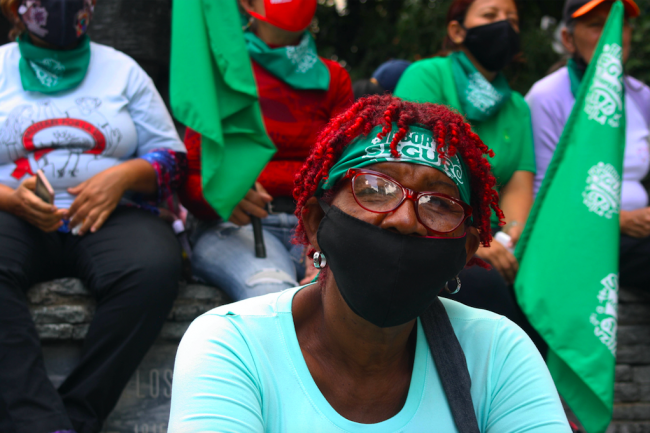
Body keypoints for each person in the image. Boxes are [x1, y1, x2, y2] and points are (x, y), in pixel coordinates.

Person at [168, 95, 571, 432]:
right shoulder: (235, 347)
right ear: (314, 223)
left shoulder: (497, 352)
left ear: (464, 252)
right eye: (375, 189)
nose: (404, 219)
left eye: (439, 203)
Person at [0, 1, 186, 432]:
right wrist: (10, 199)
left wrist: (122, 176)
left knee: (154, 268)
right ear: (14, 8)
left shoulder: (122, 70)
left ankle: (75, 417)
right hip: (13, 215)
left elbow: (173, 160)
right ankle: (38, 421)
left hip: (109, 217)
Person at [179, 0, 353, 301]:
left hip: (317, 226)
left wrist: (330, 245)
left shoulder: (334, 78)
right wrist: (222, 195)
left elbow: (347, 172)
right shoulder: (220, 71)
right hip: (235, 228)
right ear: (247, 4)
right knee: (272, 296)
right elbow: (190, 174)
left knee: (343, 292)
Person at [393, 0, 542, 350]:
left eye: (512, 20)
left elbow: (519, 186)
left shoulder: (516, 106)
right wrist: (471, 239)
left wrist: (505, 240)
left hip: (496, 241)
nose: (503, 26)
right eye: (490, 16)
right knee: (482, 287)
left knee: (546, 283)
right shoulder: (427, 76)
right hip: (432, 231)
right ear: (457, 31)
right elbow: (415, 175)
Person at [526, 0, 648, 290]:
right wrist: (617, 220)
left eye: (620, 24)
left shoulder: (641, 96)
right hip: (579, 237)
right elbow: (542, 196)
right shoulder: (547, 97)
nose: (611, 34)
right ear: (568, 39)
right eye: (596, 25)